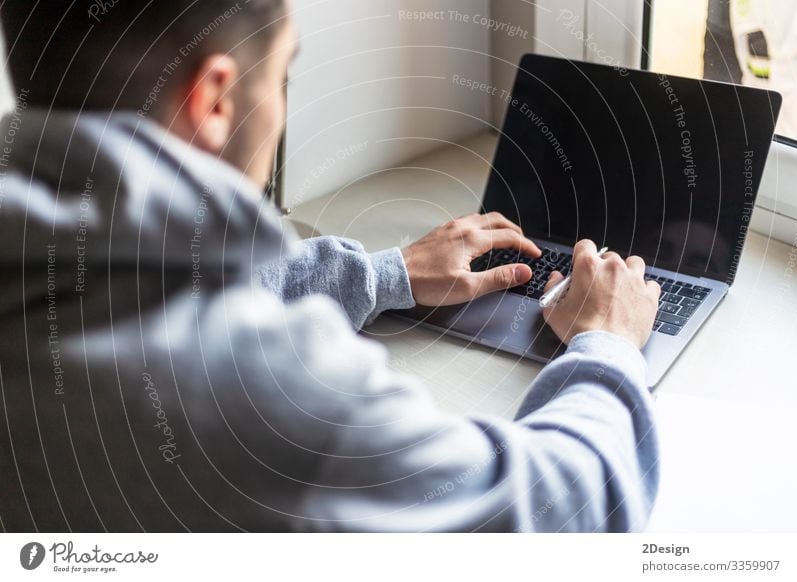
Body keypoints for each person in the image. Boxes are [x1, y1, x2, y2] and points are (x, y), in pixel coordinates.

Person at [0, 0, 660, 532]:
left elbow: (146, 272)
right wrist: (605, 343)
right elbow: (568, 508)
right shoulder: (260, 401)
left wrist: (384, 274)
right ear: (216, 99)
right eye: (280, 74)